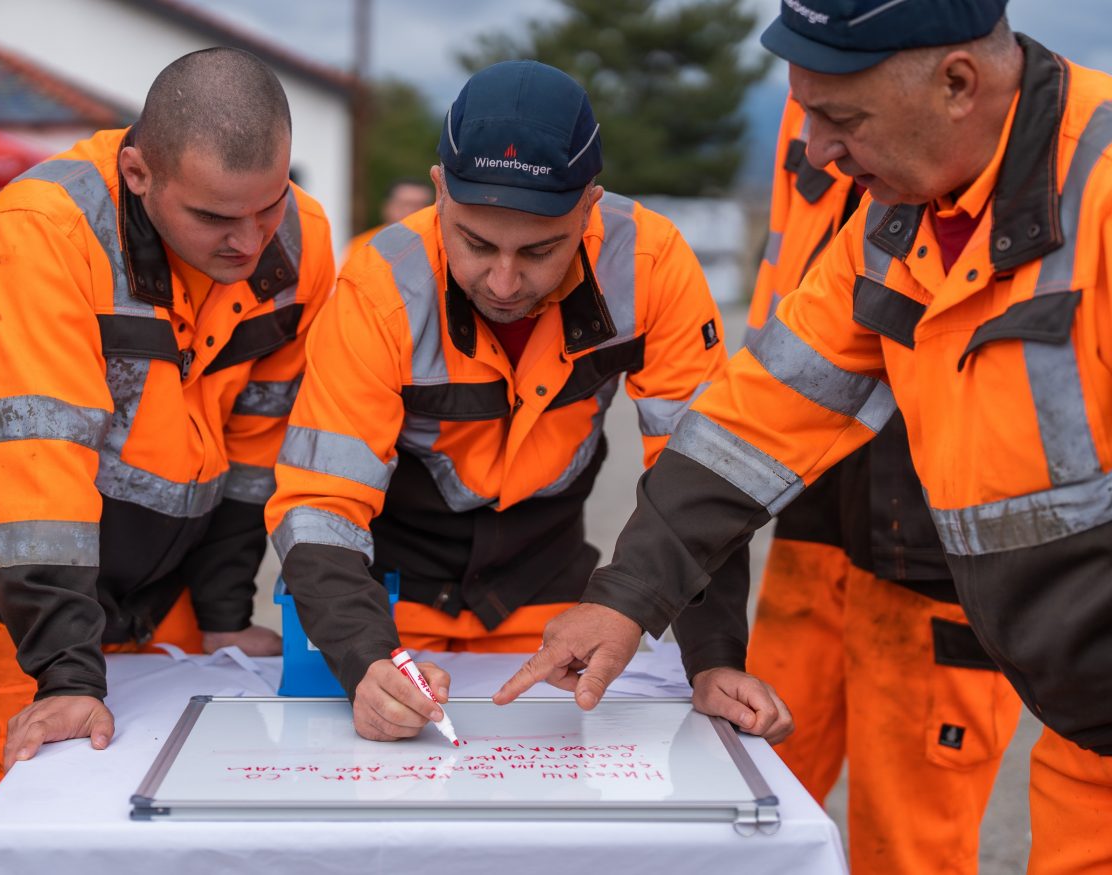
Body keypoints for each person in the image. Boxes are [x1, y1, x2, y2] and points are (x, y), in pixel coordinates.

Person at [499, 1, 1112, 870]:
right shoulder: (900, 219)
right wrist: (625, 596)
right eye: (804, 113)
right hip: (1090, 734)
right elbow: (754, 422)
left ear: (958, 83)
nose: (815, 152)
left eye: (841, 119)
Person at [266, 60, 791, 745]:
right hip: (394, 612)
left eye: (541, 249)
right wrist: (365, 657)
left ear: (589, 208)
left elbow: (700, 477)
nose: (505, 281)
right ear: (439, 193)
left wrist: (714, 658)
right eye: (476, 243)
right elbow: (319, 503)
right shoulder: (378, 283)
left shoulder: (650, 265)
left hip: (559, 619)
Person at [0, 47, 336, 828]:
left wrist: (221, 609)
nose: (249, 243)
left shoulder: (302, 239)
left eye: (268, 204)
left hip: (167, 586)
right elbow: (36, 470)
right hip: (21, 600)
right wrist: (67, 677)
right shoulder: (41, 232)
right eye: (213, 217)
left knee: (179, 820)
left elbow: (255, 448)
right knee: (36, 817)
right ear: (138, 174)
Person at [743, 95, 1021, 874]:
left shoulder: (984, 127)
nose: (827, 145)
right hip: (812, 488)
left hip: (935, 520)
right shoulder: (811, 120)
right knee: (759, 790)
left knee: (909, 839)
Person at [340, 176, 435, 263]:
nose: (412, 211)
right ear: (387, 207)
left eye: (421, 205)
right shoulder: (363, 245)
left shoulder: (440, 244)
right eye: (405, 204)